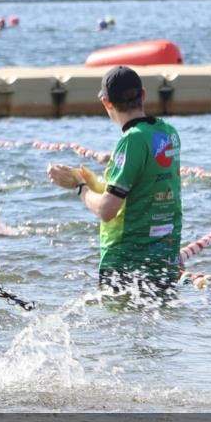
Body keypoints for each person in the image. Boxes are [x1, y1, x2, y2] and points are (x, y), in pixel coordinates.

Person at [48, 66, 182, 301]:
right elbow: (152, 182)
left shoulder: (131, 141)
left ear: (107, 103)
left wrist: (80, 186)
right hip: (165, 260)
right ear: (143, 95)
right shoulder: (168, 133)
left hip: (127, 264)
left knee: (119, 323)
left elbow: (107, 210)